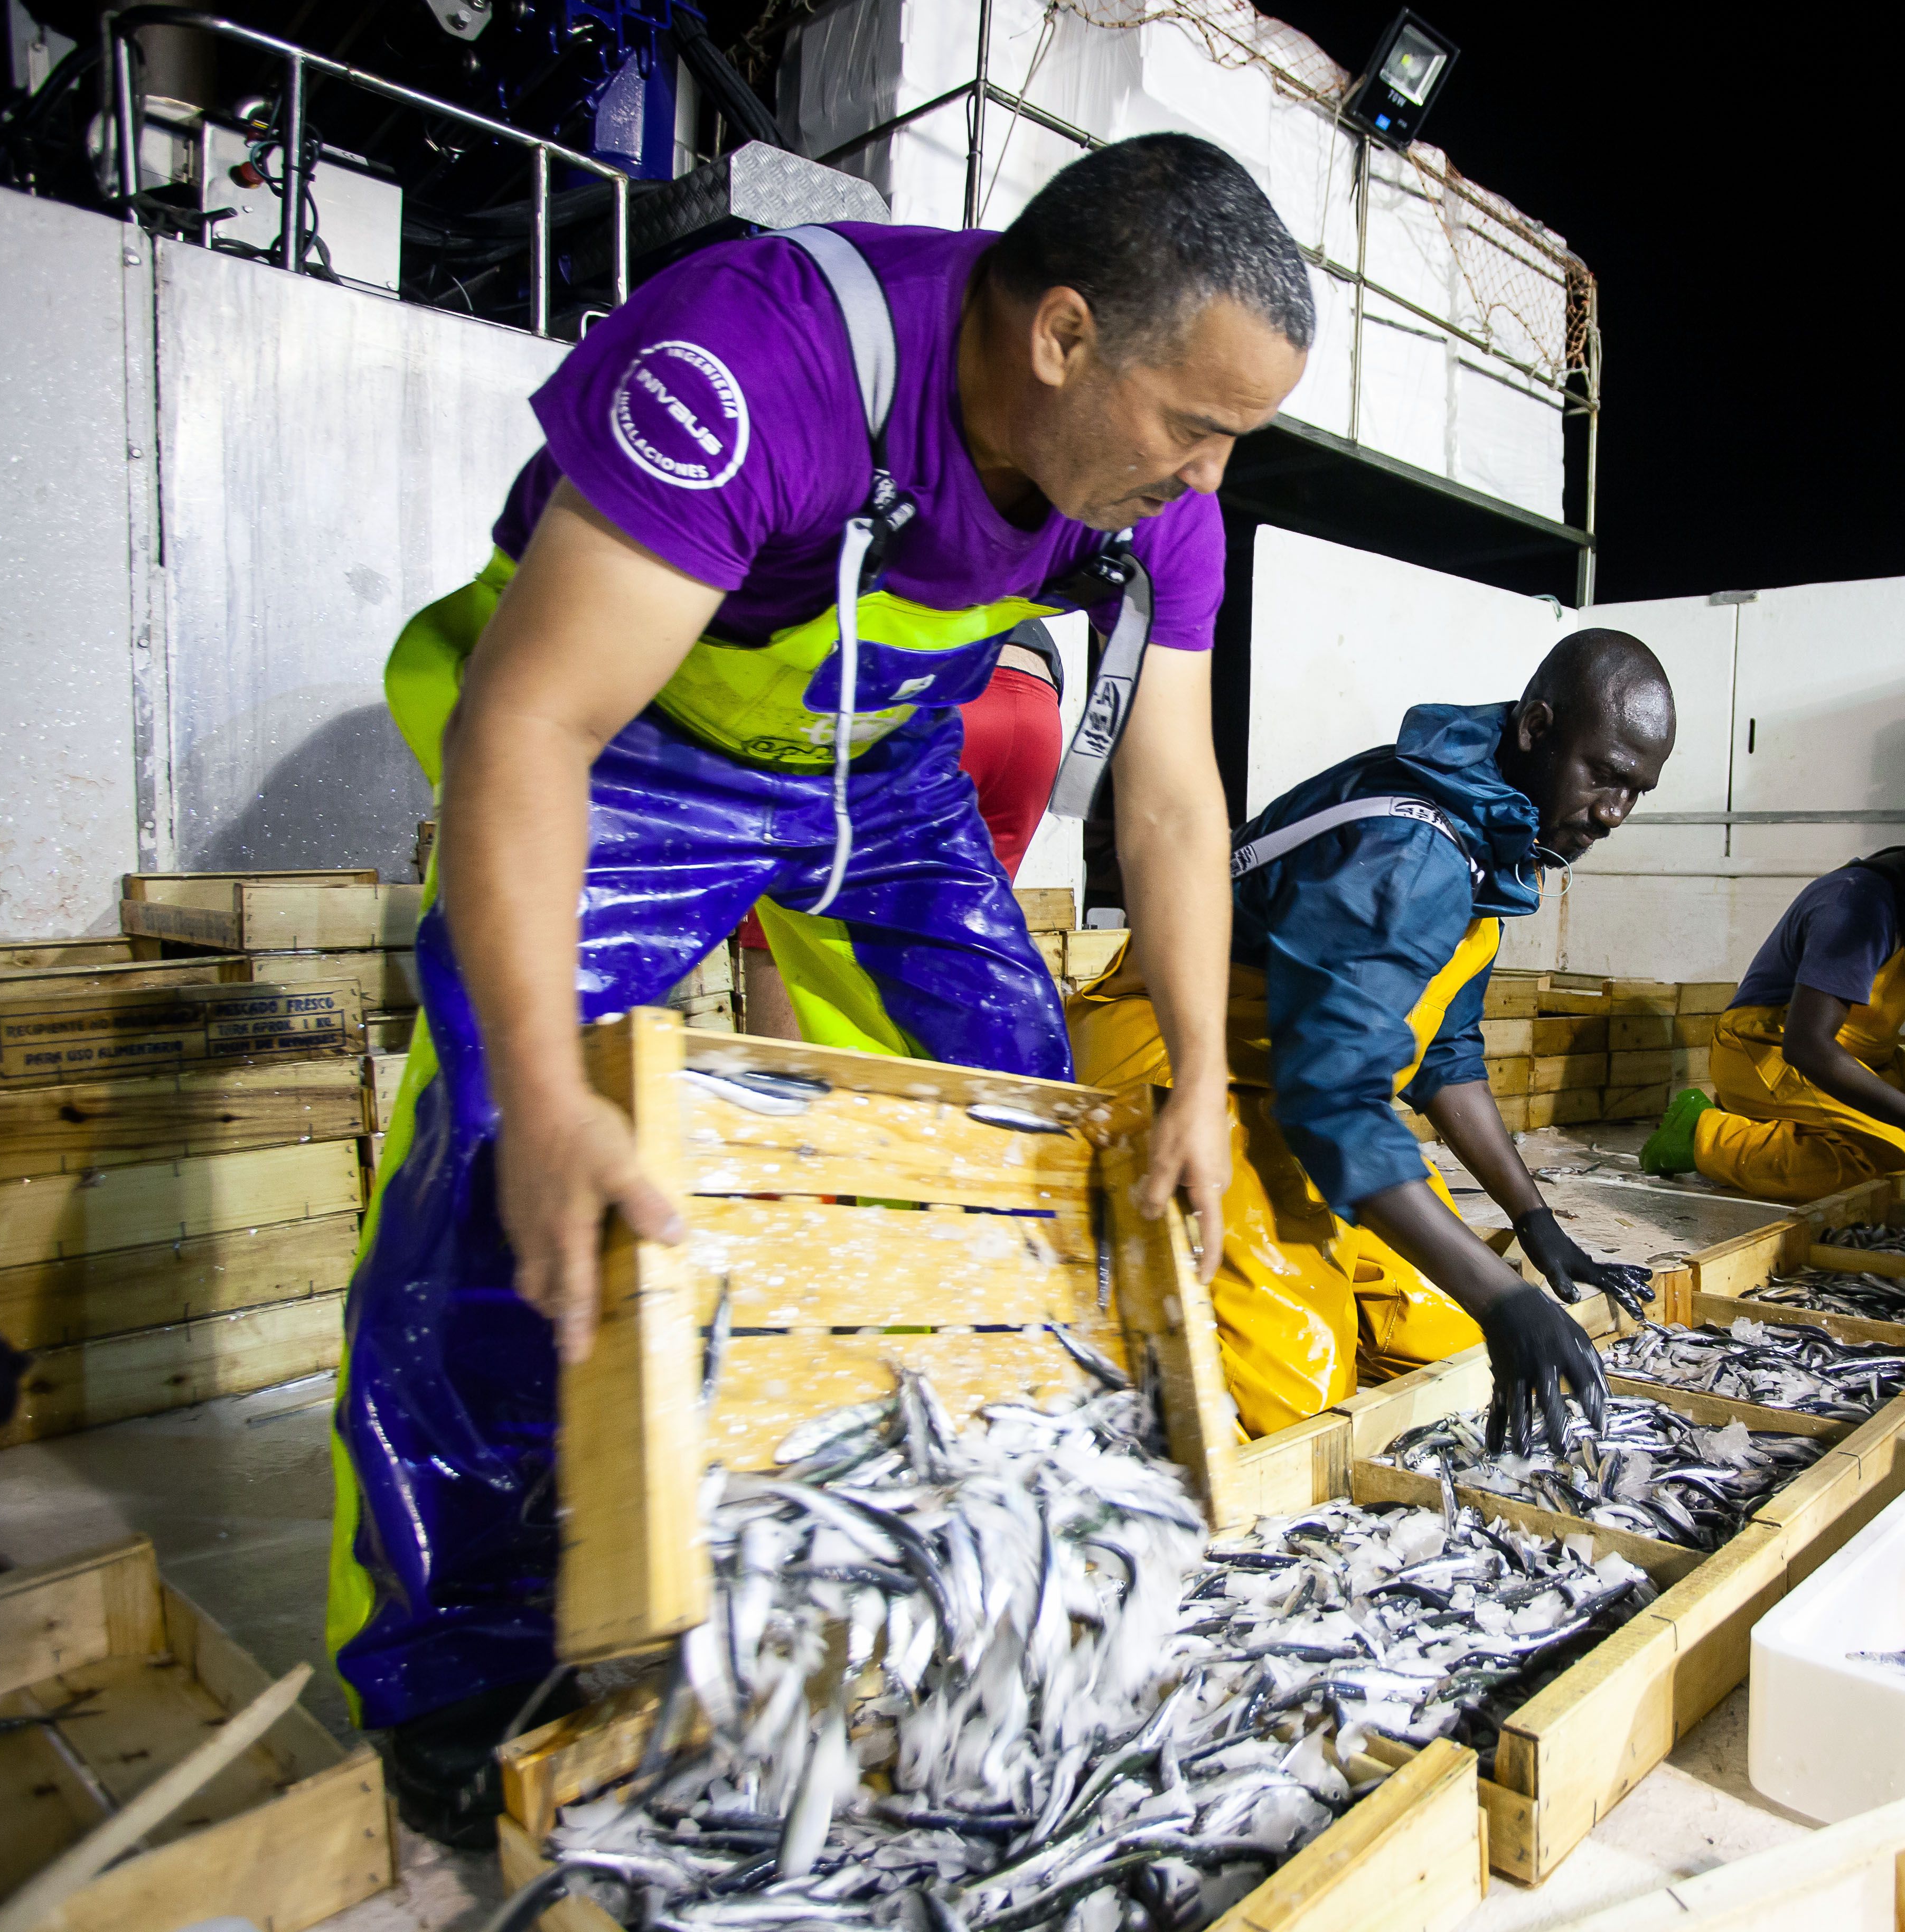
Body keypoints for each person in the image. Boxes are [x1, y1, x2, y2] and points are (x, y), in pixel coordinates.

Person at [332, 134, 1307, 1842]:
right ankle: (459, 1663)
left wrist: (1205, 1081)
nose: (1209, 474)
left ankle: (969, 1537)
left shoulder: (1164, 509)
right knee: (501, 1178)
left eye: (1236, 437)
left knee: (1022, 1127)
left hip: (876, 763)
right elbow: (528, 722)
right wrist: (560, 1094)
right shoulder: (762, 360)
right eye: (1193, 423)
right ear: (1062, 337)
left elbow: (1167, 793)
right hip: (635, 744)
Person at [1072, 631, 1677, 1449]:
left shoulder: (1493, 832)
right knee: (1294, 1402)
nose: (1613, 814)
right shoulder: (1414, 847)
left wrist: (1534, 1222)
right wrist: (1503, 1295)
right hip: (1177, 1068)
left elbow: (1446, 1056)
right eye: (1604, 775)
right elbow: (1333, 1095)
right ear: (1536, 729)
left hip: (1298, 1087)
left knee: (1443, 1344)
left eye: (1636, 791)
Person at [1641, 800, 1905, 1202]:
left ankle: (1779, 1128)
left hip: (1861, 1061)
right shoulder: (1859, 905)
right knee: (1894, 1162)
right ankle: (1703, 1136)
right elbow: (1807, 1045)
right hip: (1767, 1051)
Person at [737, 622, 1065, 1037]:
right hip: (1034, 706)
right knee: (962, 935)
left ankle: (781, 1092)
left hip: (928, 688)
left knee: (793, 907)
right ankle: (945, 1097)